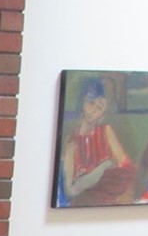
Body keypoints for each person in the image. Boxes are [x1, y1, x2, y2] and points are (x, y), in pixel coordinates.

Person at [58, 77, 135, 206]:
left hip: (112, 199)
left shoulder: (106, 132)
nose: (94, 111)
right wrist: (104, 167)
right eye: (91, 103)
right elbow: (70, 190)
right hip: (84, 204)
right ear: (82, 103)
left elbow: (127, 167)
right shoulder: (72, 142)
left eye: (100, 107)